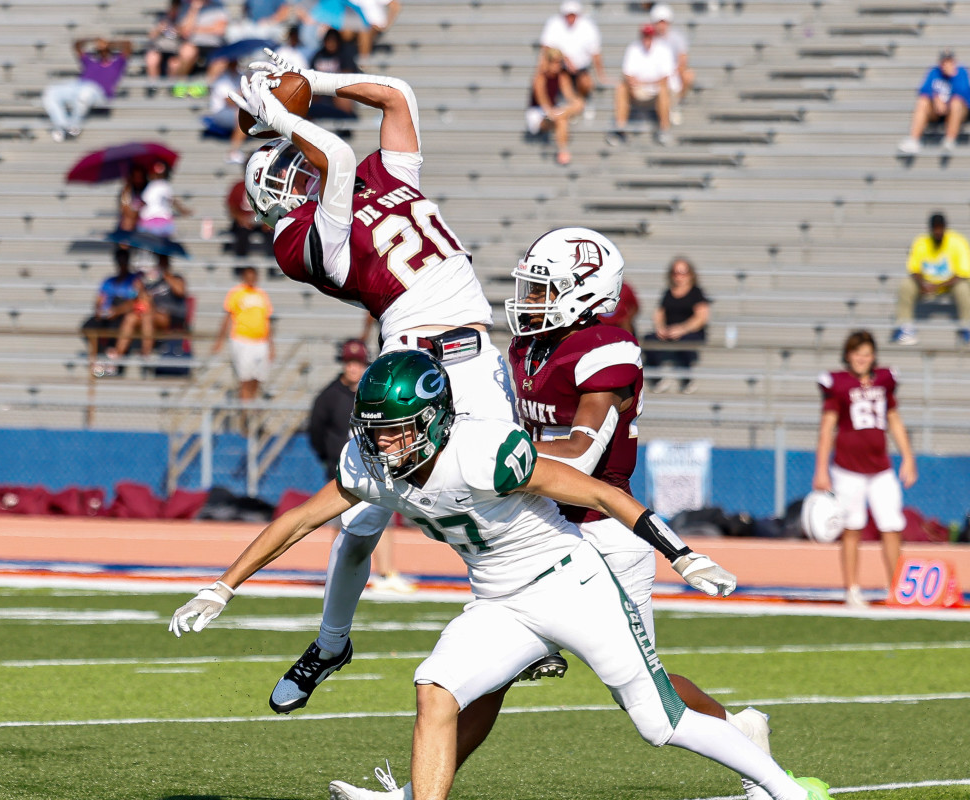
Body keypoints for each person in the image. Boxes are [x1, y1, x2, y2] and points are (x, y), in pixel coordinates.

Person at [170, 349, 834, 800]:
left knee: (658, 721)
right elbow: (298, 521)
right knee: (435, 691)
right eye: (375, 431)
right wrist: (222, 584)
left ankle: (788, 792)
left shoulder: (485, 452)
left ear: (432, 421)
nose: (383, 445)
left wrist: (679, 552)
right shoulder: (371, 462)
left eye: (397, 432)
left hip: (568, 582)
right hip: (497, 601)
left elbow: (597, 492)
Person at [323, 228, 778, 800]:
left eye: (544, 290)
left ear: (587, 294)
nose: (529, 302)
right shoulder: (525, 348)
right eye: (530, 288)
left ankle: (744, 743)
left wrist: (488, 458)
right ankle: (419, 795)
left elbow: (582, 454)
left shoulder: (605, 349)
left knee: (645, 692)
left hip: (600, 527)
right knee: (478, 682)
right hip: (536, 529)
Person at [232, 50, 518, 714]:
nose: (294, 173)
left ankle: (515, 618)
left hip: (476, 356)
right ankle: (331, 642)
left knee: (509, 484)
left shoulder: (377, 174)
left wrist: (316, 80)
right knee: (360, 519)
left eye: (289, 163)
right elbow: (330, 154)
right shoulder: (298, 240)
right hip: (409, 363)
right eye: (283, 171)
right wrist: (283, 110)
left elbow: (396, 95)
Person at [813, 330, 918, 608]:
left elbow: (894, 419)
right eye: (857, 353)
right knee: (852, 528)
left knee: (892, 526)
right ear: (848, 355)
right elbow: (827, 429)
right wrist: (821, 469)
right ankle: (851, 589)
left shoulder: (884, 380)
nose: (862, 358)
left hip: (881, 468)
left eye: (867, 353)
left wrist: (908, 456)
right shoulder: (838, 383)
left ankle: (898, 588)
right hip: (847, 469)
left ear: (874, 356)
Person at [308, 339, 413, 592]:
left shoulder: (374, 393)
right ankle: (339, 573)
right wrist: (330, 457)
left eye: (358, 363)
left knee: (382, 518)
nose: (353, 368)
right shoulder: (329, 395)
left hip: (376, 467)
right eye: (349, 363)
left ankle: (386, 573)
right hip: (341, 470)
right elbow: (315, 431)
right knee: (339, 522)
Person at [892, 212, 970, 345]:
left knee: (963, 288)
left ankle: (966, 326)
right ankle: (904, 327)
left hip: (950, 285)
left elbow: (962, 273)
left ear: (945, 228)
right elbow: (914, 269)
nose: (938, 232)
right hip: (926, 285)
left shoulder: (958, 241)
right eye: (935, 228)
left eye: (940, 228)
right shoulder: (921, 242)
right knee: (906, 285)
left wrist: (938, 286)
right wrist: (923, 284)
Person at [42, 37, 132, 142]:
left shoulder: (117, 63)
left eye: (105, 50)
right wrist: (94, 40)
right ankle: (62, 126)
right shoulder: (90, 61)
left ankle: (73, 127)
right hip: (79, 86)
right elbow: (77, 45)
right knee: (51, 92)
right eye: (99, 50)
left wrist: (109, 44)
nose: (101, 51)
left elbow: (128, 45)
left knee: (85, 93)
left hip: (99, 93)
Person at [644, 256, 709, 394]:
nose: (679, 276)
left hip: (690, 332)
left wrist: (682, 329)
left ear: (690, 274)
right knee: (648, 340)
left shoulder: (696, 292)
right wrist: (660, 328)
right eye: (676, 272)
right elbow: (659, 313)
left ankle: (687, 380)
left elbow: (701, 317)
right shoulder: (668, 292)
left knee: (684, 343)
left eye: (683, 272)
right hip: (669, 331)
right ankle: (657, 380)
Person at [212, 266, 274, 404]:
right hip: (242, 340)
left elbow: (267, 320)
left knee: (258, 378)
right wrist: (219, 340)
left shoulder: (262, 295)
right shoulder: (236, 293)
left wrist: (271, 346)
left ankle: (251, 405)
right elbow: (227, 317)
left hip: (260, 341)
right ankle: (245, 411)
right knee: (245, 378)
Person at [607, 23, 675, 146]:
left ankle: (664, 128)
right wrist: (635, 81)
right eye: (645, 36)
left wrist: (642, 81)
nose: (647, 40)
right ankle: (620, 128)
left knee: (663, 89)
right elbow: (627, 74)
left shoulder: (664, 49)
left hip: (655, 91)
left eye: (649, 36)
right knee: (621, 87)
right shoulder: (633, 48)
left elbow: (665, 78)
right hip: (638, 90)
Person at [538, 0, 608, 120]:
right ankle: (571, 106)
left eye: (573, 15)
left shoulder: (588, 26)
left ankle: (576, 104)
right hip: (561, 69)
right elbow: (546, 48)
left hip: (580, 70)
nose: (570, 18)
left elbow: (595, 52)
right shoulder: (554, 24)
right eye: (568, 15)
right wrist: (564, 60)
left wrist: (601, 75)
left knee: (586, 83)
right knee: (562, 81)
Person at [107, 263, 191, 360]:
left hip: (172, 315)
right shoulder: (148, 282)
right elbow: (142, 302)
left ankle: (146, 353)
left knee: (147, 315)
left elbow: (181, 292)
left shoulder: (176, 277)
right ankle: (118, 354)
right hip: (152, 315)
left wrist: (166, 274)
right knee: (131, 317)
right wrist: (141, 289)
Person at [897, 49, 970, 155]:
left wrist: (953, 76)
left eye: (949, 62)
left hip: (957, 111)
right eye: (944, 62)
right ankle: (914, 140)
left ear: (954, 62)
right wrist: (935, 99)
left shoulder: (961, 73)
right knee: (923, 101)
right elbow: (923, 90)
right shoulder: (934, 72)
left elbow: (964, 94)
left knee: (956, 102)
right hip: (937, 111)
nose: (946, 65)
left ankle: (950, 139)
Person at [81, 247, 141, 365]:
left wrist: (117, 311)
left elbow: (135, 302)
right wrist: (99, 310)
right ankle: (100, 355)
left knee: (117, 329)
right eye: (120, 260)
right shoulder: (109, 281)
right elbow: (99, 300)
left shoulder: (135, 280)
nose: (121, 263)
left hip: (121, 316)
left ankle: (114, 358)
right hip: (107, 315)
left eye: (124, 260)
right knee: (88, 327)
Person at [525, 47, 583, 166]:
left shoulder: (561, 77)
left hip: (553, 109)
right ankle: (563, 150)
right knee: (561, 119)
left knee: (571, 110)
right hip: (538, 112)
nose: (558, 65)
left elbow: (569, 95)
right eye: (555, 62)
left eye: (559, 62)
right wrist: (555, 112)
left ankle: (562, 150)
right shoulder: (540, 77)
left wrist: (575, 103)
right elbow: (542, 99)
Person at [650, 3, 693, 122]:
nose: (661, 25)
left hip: (672, 72)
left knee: (688, 75)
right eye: (659, 22)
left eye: (664, 22)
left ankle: (676, 104)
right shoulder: (649, 38)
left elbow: (683, 59)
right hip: (656, 73)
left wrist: (674, 72)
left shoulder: (677, 37)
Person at [169, 0, 228, 76]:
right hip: (192, 44)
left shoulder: (218, 6)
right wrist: (194, 9)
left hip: (214, 45)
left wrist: (194, 29)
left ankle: (207, 86)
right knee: (187, 52)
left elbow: (220, 30)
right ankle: (180, 84)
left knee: (222, 58)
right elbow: (185, 32)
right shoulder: (186, 6)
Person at [225, 172, 273, 257]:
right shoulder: (238, 186)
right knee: (241, 233)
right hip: (245, 221)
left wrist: (269, 220)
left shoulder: (267, 186)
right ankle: (241, 266)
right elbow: (232, 206)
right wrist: (240, 218)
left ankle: (273, 266)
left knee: (272, 232)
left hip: (263, 219)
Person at [145, 0, 184, 78]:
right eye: (173, 7)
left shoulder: (184, 20)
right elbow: (151, 36)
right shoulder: (162, 18)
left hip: (175, 51)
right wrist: (159, 29)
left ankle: (171, 86)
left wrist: (179, 30)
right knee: (152, 58)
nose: (175, 10)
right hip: (159, 49)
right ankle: (154, 86)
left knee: (174, 64)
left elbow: (187, 35)